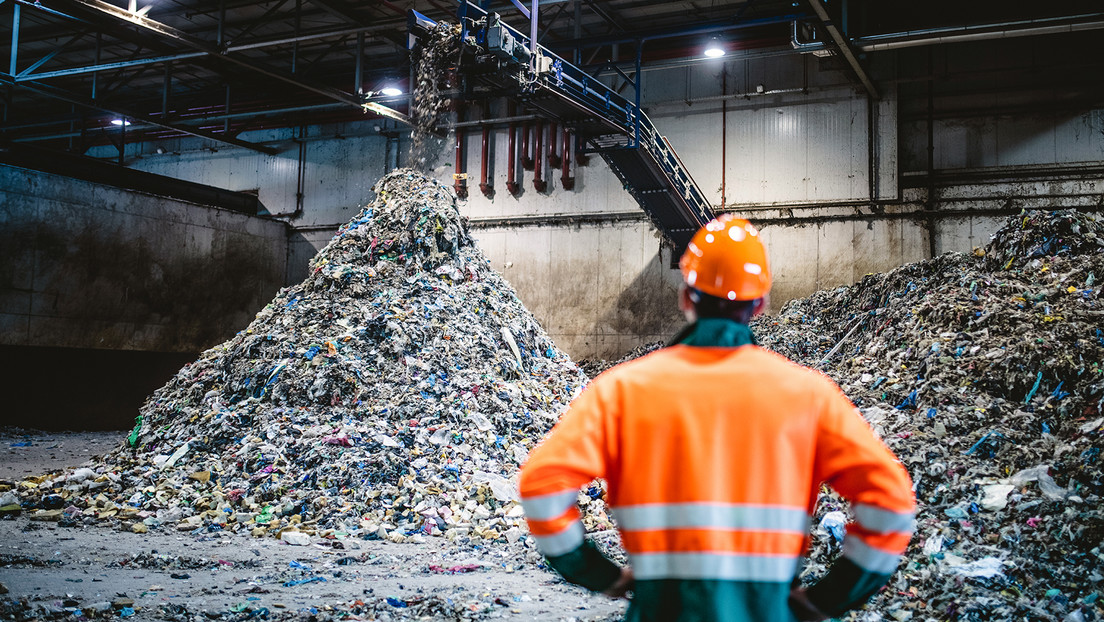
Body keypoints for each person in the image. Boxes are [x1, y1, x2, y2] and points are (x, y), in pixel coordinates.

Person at [518, 215, 916, 621]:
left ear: (686, 298)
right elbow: (891, 503)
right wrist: (830, 598)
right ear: (759, 304)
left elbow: (542, 485)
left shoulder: (621, 390)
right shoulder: (809, 395)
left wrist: (597, 573)